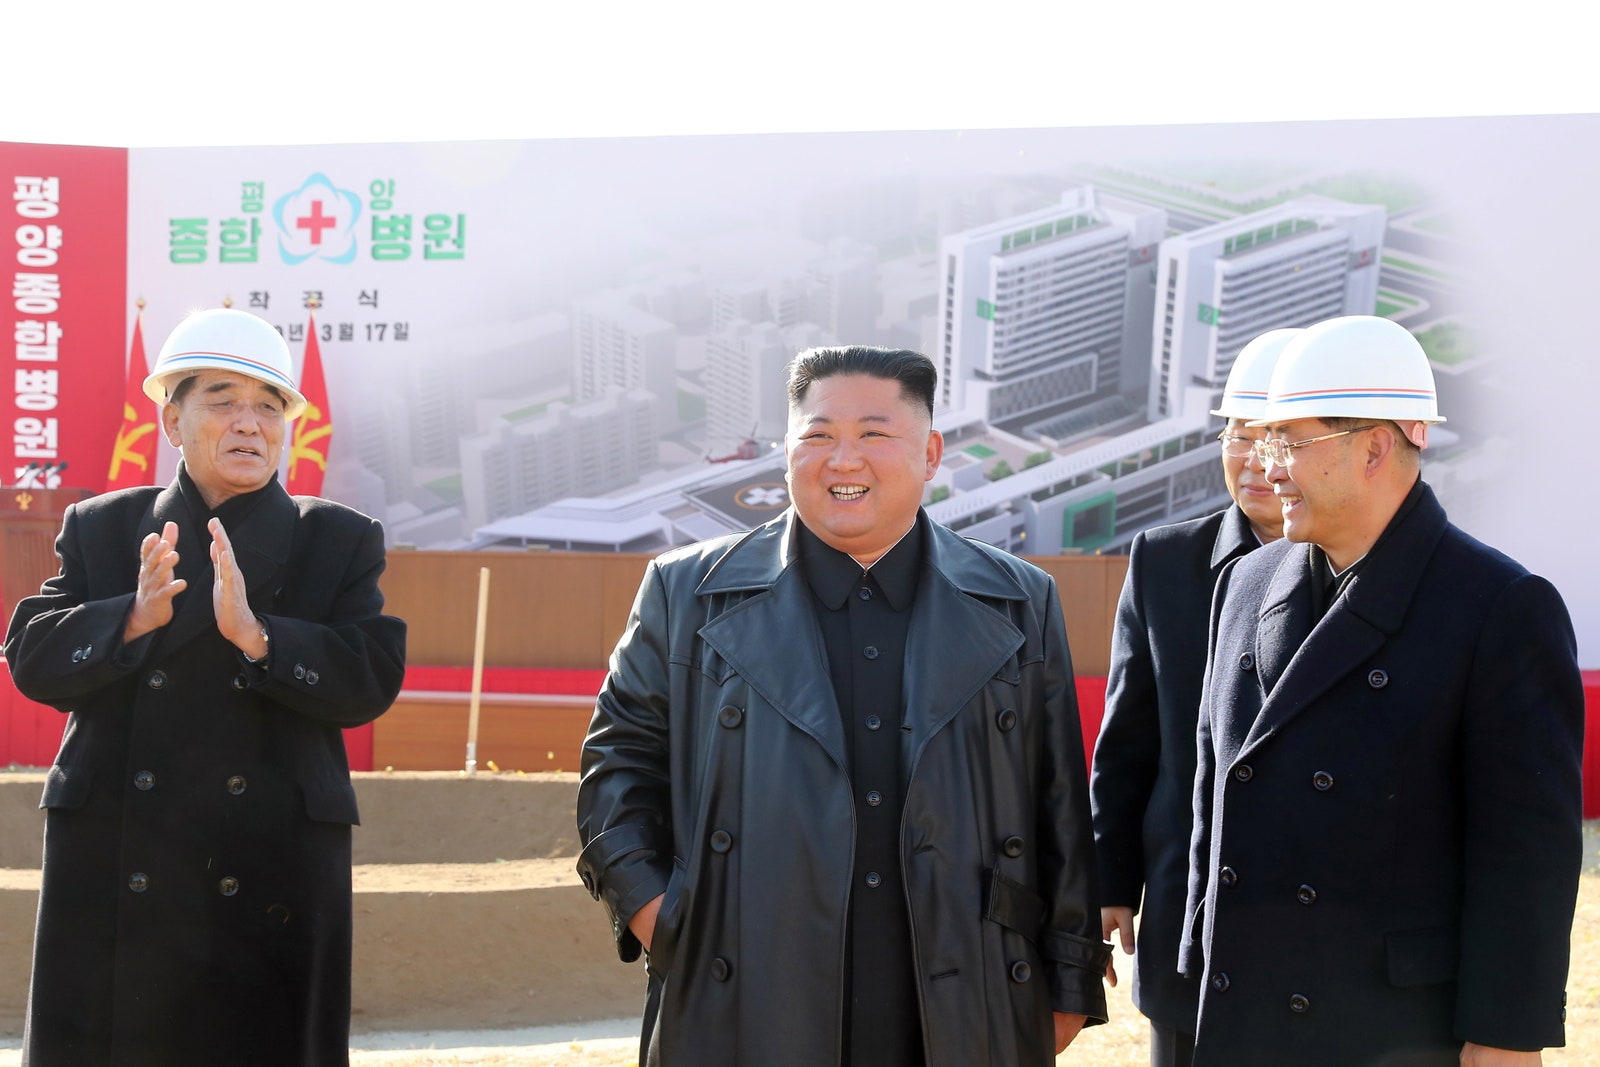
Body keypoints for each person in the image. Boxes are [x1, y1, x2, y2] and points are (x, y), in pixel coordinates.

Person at [576, 346, 1110, 1066]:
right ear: (785, 452)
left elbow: (1058, 806)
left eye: (874, 434)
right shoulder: (686, 592)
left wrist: (1068, 977)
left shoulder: (1018, 598)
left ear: (930, 452)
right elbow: (615, 766)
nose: (844, 460)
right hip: (745, 987)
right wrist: (666, 920)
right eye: (818, 435)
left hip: (962, 990)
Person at [4, 307, 407, 1066]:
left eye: (268, 405)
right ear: (172, 419)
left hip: (269, 867)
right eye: (223, 401)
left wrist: (260, 637)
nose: (249, 424)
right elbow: (30, 654)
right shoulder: (103, 528)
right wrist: (131, 617)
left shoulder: (337, 538)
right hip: (121, 860)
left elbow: (371, 676)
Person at [1179, 315, 1583, 1066]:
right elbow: (1214, 792)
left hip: (1392, 1029)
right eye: (1264, 441)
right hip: (1243, 1011)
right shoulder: (1245, 581)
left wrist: (1506, 1034)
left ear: (1374, 445)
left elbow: (1526, 850)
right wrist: (1196, 964)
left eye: (1290, 443)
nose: (1268, 468)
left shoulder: (1498, 604)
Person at [1090, 328, 1297, 1067]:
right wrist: (1110, 879)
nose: (1254, 457)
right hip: (1189, 914)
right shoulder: (1166, 560)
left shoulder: (1372, 575)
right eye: (1239, 434)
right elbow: (1128, 739)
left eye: (1277, 436)